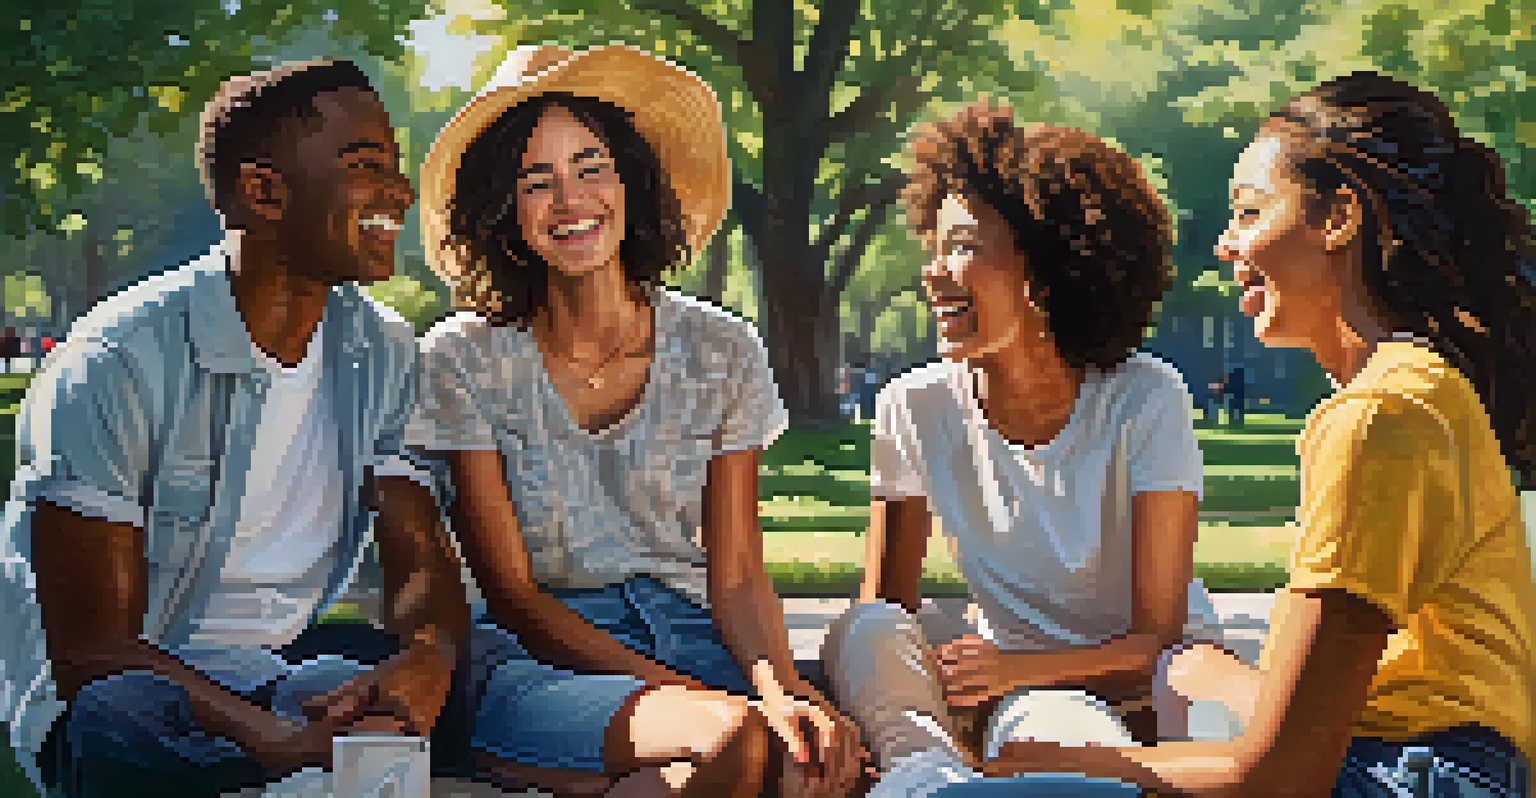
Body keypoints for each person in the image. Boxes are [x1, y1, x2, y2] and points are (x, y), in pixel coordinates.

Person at [982, 72, 1536, 796]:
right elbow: (1352, 708)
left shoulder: (1380, 415)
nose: (1224, 242)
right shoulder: (1420, 390)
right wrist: (1228, 679)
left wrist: (1053, 766)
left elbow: (1279, 775)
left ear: (1339, 218)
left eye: (1249, 212)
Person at [0, 60, 471, 797]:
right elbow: (92, 652)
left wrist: (427, 655)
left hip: (284, 673)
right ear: (264, 191)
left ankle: (318, 773)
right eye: (364, 164)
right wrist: (278, 743)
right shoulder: (114, 362)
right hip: (139, 693)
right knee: (118, 718)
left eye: (395, 166)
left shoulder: (382, 350)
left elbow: (418, 551)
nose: (399, 191)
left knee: (408, 687)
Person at [409, 45, 866, 798]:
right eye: (536, 181)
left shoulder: (723, 349)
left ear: (629, 179)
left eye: (592, 167)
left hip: (700, 639)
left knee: (790, 761)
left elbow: (740, 575)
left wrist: (780, 687)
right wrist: (719, 707)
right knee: (735, 740)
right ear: (504, 209)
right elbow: (516, 595)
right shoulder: (464, 358)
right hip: (539, 664)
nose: (570, 200)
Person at [821, 102, 1222, 797]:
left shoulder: (1146, 399)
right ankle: (928, 775)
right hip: (1012, 684)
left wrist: (1012, 672)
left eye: (964, 247)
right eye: (935, 247)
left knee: (1053, 743)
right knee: (868, 627)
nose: (934, 271)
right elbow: (887, 610)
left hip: (1143, 682)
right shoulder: (912, 405)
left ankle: (965, 775)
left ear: (1047, 266)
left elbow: (1154, 640)